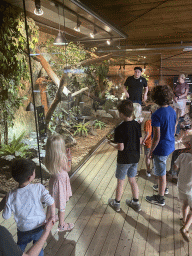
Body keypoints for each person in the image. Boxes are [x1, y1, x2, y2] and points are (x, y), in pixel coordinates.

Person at [2, 159, 55, 256]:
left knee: (20, 246)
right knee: (38, 246)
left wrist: (8, 203)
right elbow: (51, 202)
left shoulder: (11, 195)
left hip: (23, 229)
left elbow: (5, 216)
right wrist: (52, 216)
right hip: (39, 226)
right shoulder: (38, 187)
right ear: (30, 177)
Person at [107, 99, 142, 212]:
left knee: (120, 182)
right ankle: (136, 202)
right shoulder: (137, 125)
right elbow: (140, 141)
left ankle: (116, 203)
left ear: (121, 113)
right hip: (135, 157)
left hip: (124, 159)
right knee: (132, 179)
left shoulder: (120, 128)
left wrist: (111, 144)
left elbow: (121, 147)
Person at [145, 85, 176, 206]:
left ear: (156, 98)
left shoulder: (157, 114)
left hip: (161, 148)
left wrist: (151, 151)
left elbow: (156, 136)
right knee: (162, 169)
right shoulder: (172, 110)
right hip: (169, 145)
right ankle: (162, 187)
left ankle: (160, 198)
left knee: (161, 173)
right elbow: (173, 128)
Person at [45, 134, 74, 232]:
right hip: (61, 183)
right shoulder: (62, 159)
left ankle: (47, 219)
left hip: (53, 182)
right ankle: (62, 225)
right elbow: (68, 169)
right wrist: (69, 157)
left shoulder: (49, 157)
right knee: (62, 205)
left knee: (51, 201)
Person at [173, 135, 192, 242]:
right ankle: (185, 229)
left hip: (181, 185)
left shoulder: (183, 155)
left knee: (185, 204)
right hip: (191, 189)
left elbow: (175, 168)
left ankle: (184, 221)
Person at [142, 104, 159, 177]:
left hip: (148, 143)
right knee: (154, 158)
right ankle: (155, 170)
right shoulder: (160, 122)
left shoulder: (148, 122)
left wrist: (143, 140)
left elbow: (147, 133)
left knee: (148, 156)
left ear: (151, 112)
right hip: (156, 143)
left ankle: (148, 171)